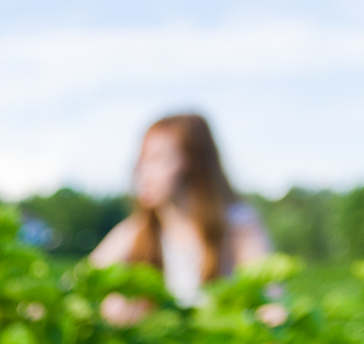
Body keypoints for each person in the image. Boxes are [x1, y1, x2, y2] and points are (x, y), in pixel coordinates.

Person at [90, 114, 271, 323]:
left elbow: (269, 298)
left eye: (158, 159)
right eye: (143, 160)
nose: (143, 172)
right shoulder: (138, 230)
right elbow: (83, 282)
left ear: (193, 162)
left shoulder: (237, 224)